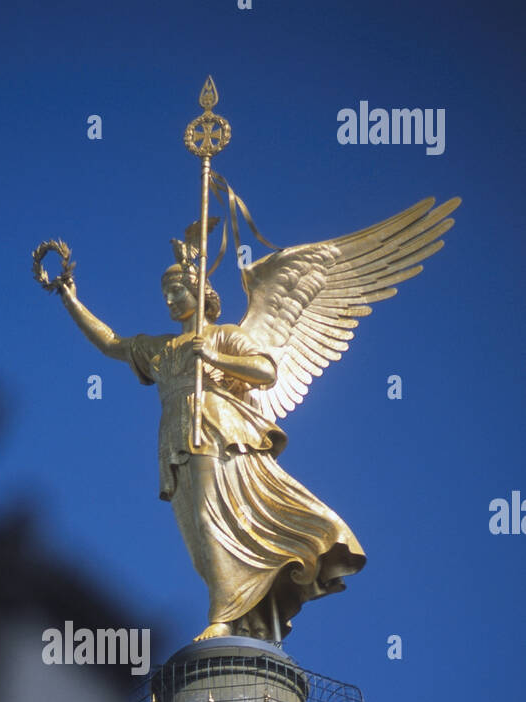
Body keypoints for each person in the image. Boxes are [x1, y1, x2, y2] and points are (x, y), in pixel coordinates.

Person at [56, 250, 365, 643]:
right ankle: (244, 614)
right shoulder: (162, 348)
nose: (168, 300)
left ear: (199, 290)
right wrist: (70, 299)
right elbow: (112, 344)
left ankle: (222, 615)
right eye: (165, 293)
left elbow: (266, 371)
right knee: (199, 536)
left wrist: (215, 356)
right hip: (175, 436)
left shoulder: (225, 336)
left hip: (218, 431)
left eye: (176, 290)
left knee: (209, 519)